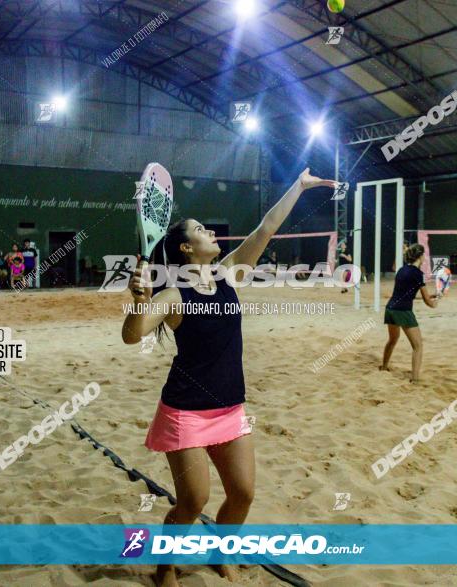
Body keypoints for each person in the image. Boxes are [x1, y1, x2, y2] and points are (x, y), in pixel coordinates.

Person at [121, 167, 336, 587]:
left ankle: (222, 550)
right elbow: (132, 337)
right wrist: (137, 301)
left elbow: (266, 228)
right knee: (192, 501)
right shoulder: (170, 294)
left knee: (242, 494)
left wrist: (300, 185)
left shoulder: (227, 274)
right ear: (187, 247)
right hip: (185, 412)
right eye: (202, 230)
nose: (212, 232)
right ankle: (166, 565)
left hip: (229, 408)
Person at [380, 244, 438, 383]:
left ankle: (384, 367)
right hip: (403, 311)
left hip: (390, 309)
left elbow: (405, 293)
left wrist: (431, 296)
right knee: (418, 346)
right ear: (420, 256)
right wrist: (434, 303)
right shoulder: (419, 274)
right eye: (423, 255)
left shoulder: (401, 270)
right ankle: (415, 379)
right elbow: (427, 302)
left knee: (392, 340)